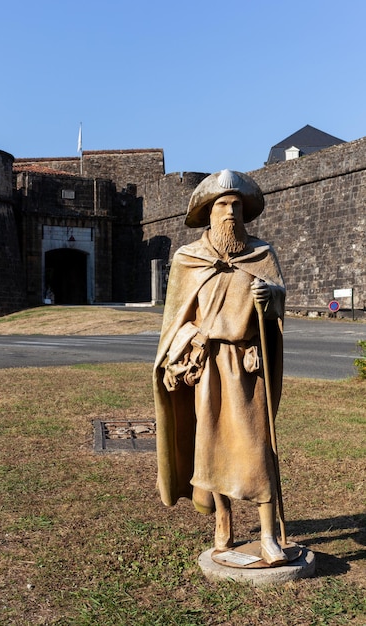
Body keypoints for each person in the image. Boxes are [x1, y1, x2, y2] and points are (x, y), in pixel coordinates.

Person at [152, 169, 288, 565]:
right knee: (210, 446)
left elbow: (278, 305)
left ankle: (267, 537)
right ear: (209, 212)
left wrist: (271, 295)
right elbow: (177, 317)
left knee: (256, 446)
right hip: (208, 365)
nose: (230, 213)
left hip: (248, 367)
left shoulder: (260, 255)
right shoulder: (189, 259)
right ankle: (223, 528)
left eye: (237, 207)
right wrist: (184, 349)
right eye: (223, 206)